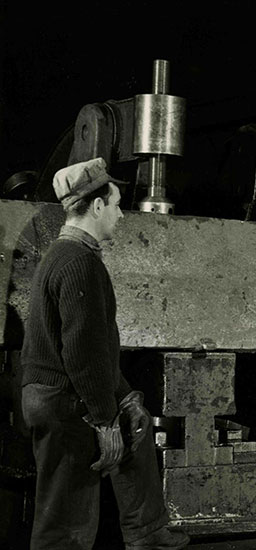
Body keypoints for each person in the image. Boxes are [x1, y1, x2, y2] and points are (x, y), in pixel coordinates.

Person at [20, 158, 189, 550]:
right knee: (66, 521)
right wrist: (103, 420)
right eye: (114, 204)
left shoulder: (71, 255)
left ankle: (148, 533)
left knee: (137, 425)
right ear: (96, 207)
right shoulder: (79, 264)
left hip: (57, 391)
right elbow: (83, 353)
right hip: (61, 400)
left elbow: (99, 348)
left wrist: (124, 398)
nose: (120, 215)